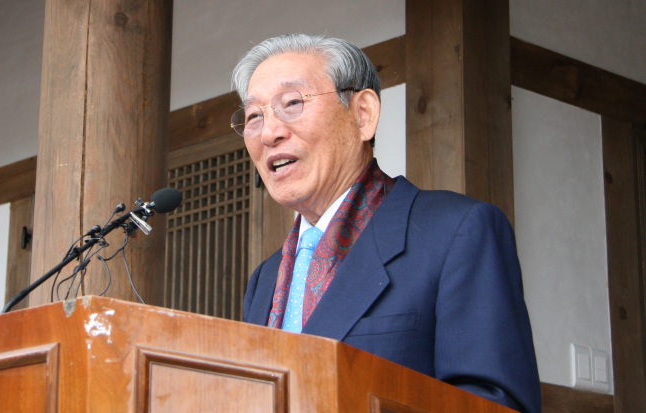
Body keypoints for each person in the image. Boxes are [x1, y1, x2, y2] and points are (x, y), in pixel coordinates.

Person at [232, 33, 541, 413]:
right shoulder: (266, 278)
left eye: (292, 103)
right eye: (254, 117)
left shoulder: (455, 232)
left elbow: (494, 404)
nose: (269, 133)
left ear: (363, 115)